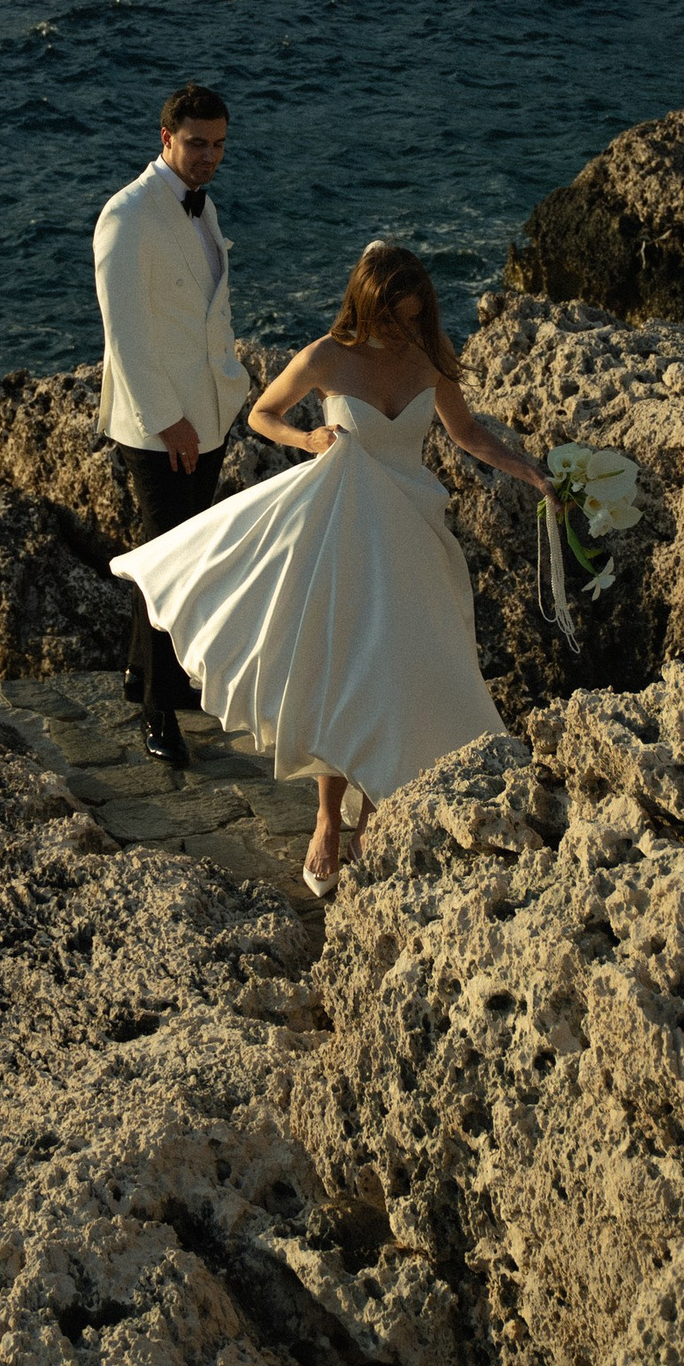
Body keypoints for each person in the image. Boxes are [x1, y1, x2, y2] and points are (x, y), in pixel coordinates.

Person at [111, 240, 550, 892]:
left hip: (413, 533)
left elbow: (469, 435)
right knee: (343, 668)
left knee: (398, 674)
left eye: (411, 316)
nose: (400, 330)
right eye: (390, 317)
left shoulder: (431, 359)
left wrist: (533, 474)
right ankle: (326, 821)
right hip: (345, 531)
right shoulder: (326, 356)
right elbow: (263, 415)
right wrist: (308, 438)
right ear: (365, 304)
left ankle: (374, 820)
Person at [93, 85, 250, 768]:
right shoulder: (127, 217)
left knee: (170, 554)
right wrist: (170, 423)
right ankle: (159, 708)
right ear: (165, 138)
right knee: (171, 566)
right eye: (196, 143)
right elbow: (125, 336)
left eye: (218, 144)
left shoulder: (201, 206)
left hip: (207, 413)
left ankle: (140, 673)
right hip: (162, 426)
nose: (209, 156)